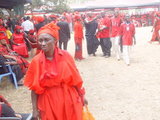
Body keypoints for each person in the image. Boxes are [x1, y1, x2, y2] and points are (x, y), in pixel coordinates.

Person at [24, 22, 87, 120]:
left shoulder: (66, 56)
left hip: (69, 98)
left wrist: (82, 96)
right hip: (48, 101)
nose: (43, 43)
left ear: (55, 40)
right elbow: (34, 88)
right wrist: (35, 110)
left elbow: (76, 79)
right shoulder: (36, 61)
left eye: (46, 40)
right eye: (40, 40)